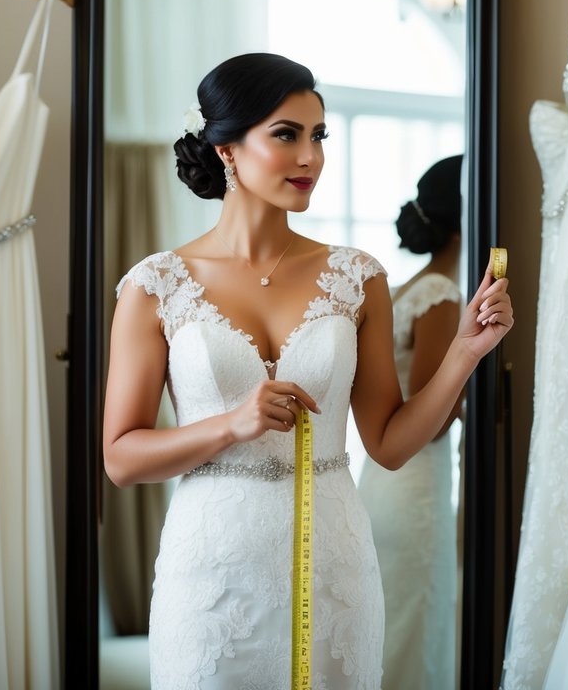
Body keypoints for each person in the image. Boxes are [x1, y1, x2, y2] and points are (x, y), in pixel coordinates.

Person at [103, 53, 512, 689]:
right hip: (210, 574)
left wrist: (465, 352)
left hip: (335, 567)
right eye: (286, 135)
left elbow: (391, 444)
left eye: (318, 136)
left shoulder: (358, 277)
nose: (310, 157)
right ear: (227, 150)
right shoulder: (156, 286)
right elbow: (122, 458)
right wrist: (230, 425)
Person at [358, 155, 464, 689]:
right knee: (412, 625)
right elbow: (434, 415)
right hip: (416, 485)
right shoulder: (441, 295)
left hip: (382, 479)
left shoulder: (403, 291)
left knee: (393, 622)